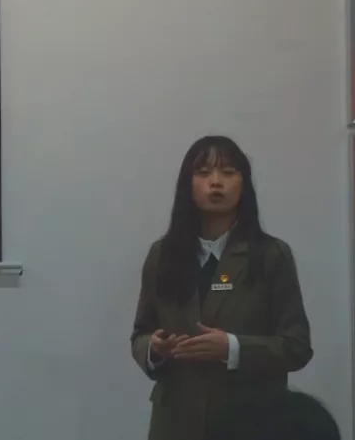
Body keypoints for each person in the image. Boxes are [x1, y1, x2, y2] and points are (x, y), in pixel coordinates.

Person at [130, 135, 313, 440]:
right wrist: (155, 348)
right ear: (187, 186)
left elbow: (297, 347)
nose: (216, 182)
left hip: (250, 422)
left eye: (228, 172)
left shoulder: (271, 255)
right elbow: (141, 333)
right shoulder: (162, 255)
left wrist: (232, 348)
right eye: (203, 173)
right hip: (175, 423)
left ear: (244, 185)